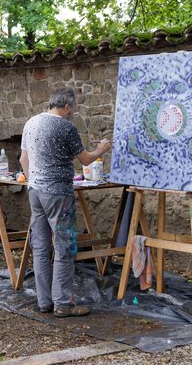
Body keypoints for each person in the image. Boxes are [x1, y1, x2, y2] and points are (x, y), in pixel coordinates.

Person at [20, 87, 112, 318]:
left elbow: (23, 159)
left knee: (41, 247)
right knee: (64, 246)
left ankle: (44, 302)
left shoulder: (31, 123)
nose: (74, 113)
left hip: (35, 191)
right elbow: (86, 160)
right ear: (67, 106)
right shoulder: (65, 127)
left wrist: (34, 181)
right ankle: (63, 303)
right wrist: (101, 149)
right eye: (74, 108)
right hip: (58, 193)